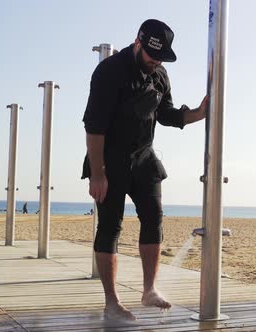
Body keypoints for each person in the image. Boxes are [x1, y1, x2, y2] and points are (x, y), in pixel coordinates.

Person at [81, 19, 207, 321]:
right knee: (110, 227)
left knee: (153, 218)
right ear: (138, 43)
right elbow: (94, 126)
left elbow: (166, 115)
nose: (156, 63)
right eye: (152, 57)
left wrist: (199, 115)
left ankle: (149, 289)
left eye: (161, 58)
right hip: (109, 160)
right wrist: (98, 173)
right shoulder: (109, 71)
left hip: (144, 158)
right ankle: (112, 302)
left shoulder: (160, 74)